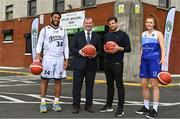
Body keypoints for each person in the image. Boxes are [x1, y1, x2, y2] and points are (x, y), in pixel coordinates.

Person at [34, 12, 69, 113]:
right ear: (51, 18)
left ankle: (56, 103)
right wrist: (37, 55)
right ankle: (43, 103)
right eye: (55, 17)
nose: (56, 19)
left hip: (59, 58)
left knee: (58, 81)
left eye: (58, 18)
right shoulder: (45, 30)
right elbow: (39, 43)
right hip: (48, 58)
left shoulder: (63, 30)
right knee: (45, 80)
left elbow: (66, 46)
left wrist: (66, 59)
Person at [99, 16, 131, 117]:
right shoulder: (107, 35)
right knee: (109, 85)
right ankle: (109, 105)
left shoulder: (123, 35)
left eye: (113, 23)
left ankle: (120, 108)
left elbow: (128, 48)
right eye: (110, 24)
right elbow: (104, 47)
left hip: (117, 63)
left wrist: (118, 48)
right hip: (107, 63)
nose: (111, 25)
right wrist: (105, 48)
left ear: (117, 23)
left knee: (119, 85)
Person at [135, 14, 165, 119]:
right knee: (143, 84)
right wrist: (140, 59)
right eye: (147, 22)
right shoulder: (143, 34)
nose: (148, 24)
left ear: (154, 24)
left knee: (154, 85)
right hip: (144, 61)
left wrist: (163, 58)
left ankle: (155, 109)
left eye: (150, 22)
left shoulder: (158, 34)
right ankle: (146, 107)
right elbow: (142, 48)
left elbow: (162, 47)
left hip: (154, 61)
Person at [70, 17, 100, 114]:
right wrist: (79, 52)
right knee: (77, 87)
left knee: (90, 87)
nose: (88, 24)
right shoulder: (77, 35)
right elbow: (72, 48)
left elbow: (100, 50)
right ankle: (76, 106)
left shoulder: (97, 36)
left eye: (90, 23)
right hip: (79, 65)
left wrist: (96, 54)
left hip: (91, 65)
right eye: (86, 23)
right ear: (84, 24)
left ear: (93, 24)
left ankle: (88, 106)